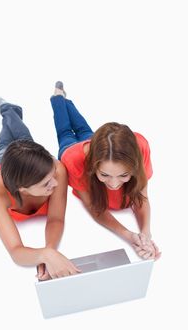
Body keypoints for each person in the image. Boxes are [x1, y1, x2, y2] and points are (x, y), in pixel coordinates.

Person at [50, 82, 161, 260]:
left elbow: (142, 197)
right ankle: (57, 98)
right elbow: (95, 209)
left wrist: (145, 235)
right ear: (94, 167)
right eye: (104, 175)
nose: (114, 184)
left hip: (92, 143)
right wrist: (128, 235)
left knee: (84, 130)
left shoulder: (140, 147)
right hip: (71, 150)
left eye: (124, 175)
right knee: (65, 132)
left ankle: (65, 99)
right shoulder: (73, 161)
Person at [0, 98, 81, 280]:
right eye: (46, 184)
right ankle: (8, 110)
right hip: (1, 163)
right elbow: (15, 250)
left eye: (53, 176)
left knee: (24, 138)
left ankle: (10, 113)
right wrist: (43, 255)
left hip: (29, 159)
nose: (57, 184)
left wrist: (49, 251)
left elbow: (56, 219)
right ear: (22, 189)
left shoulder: (57, 169)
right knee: (4, 145)